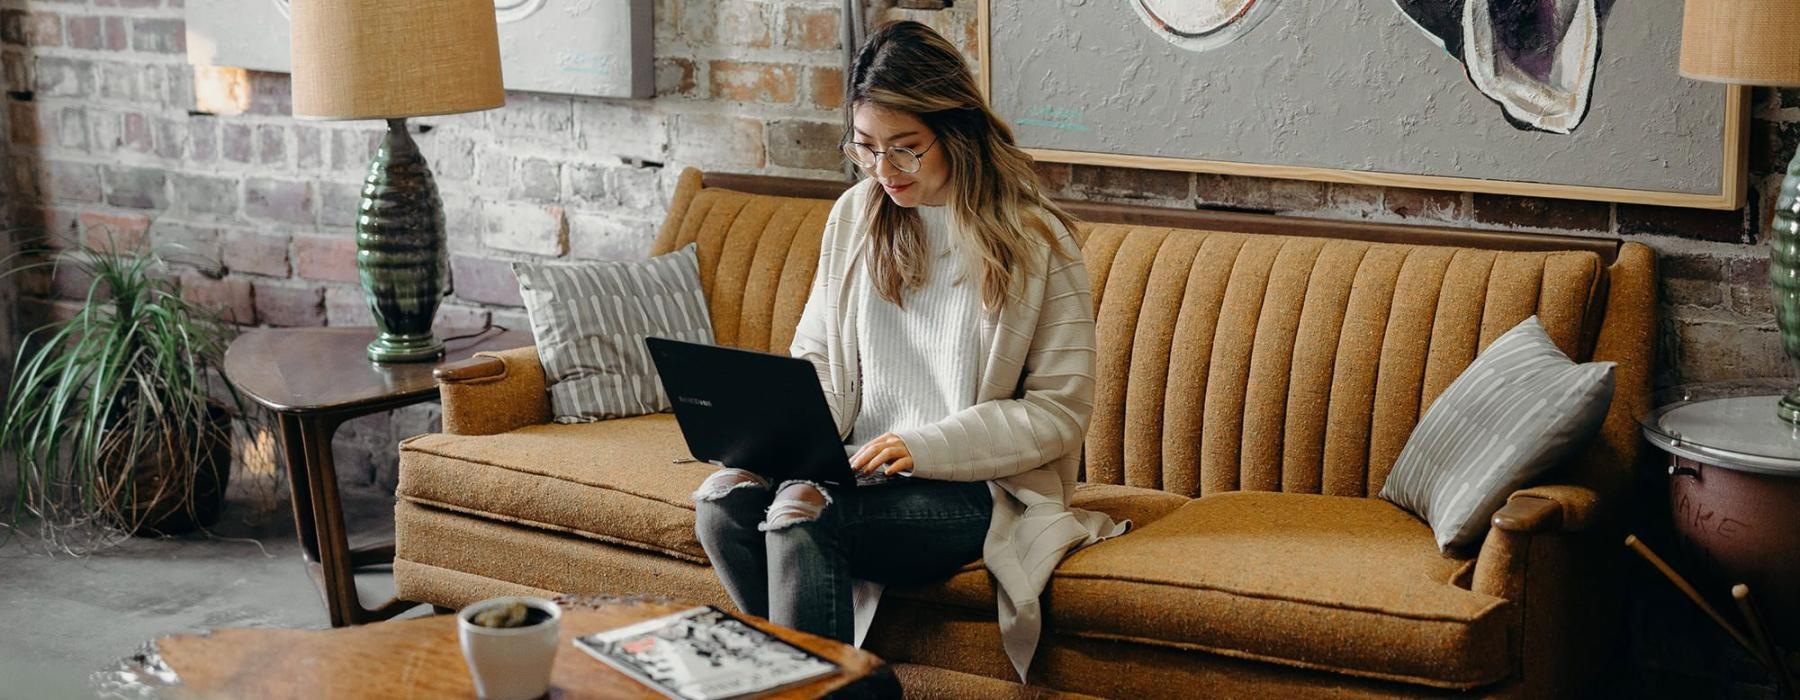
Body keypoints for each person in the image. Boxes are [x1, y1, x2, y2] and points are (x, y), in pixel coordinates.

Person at [691, 20, 1126, 681]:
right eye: (867, 149)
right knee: (722, 504)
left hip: (976, 488)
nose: (884, 171)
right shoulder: (855, 215)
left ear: (955, 132)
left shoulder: (1036, 241)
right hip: (853, 471)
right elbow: (818, 361)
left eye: (906, 149)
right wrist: (775, 434)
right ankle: (838, 688)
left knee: (802, 516)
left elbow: (1059, 412)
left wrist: (928, 446)